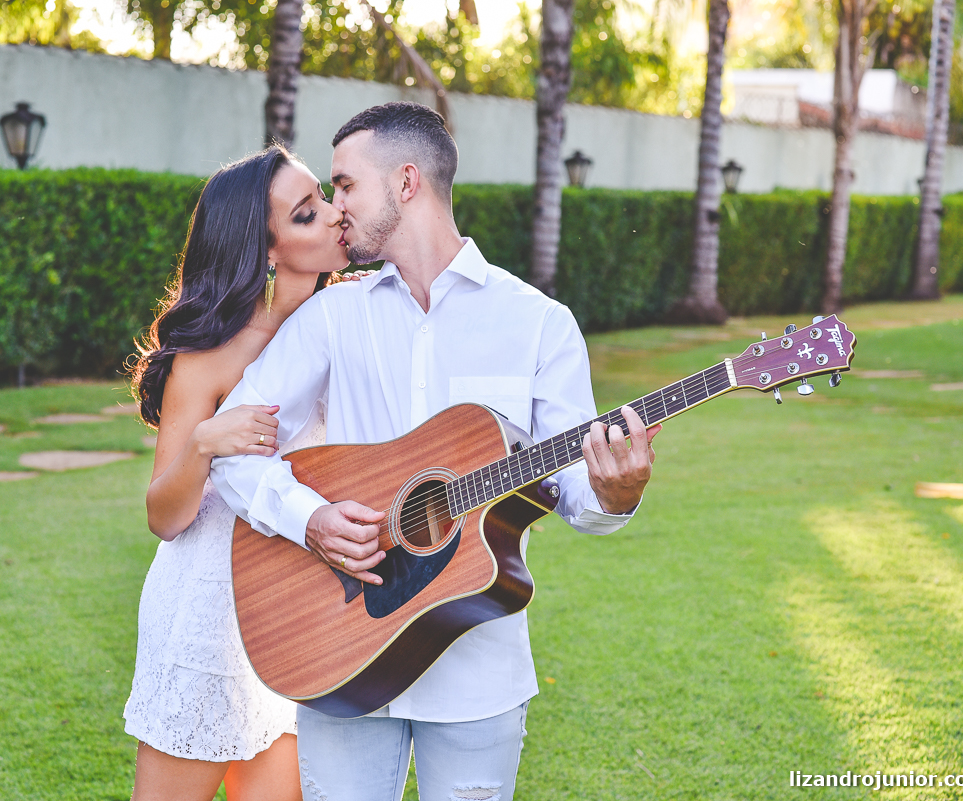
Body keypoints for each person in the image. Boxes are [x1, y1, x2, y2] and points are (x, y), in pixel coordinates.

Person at [210, 102, 661, 801]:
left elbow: (575, 494)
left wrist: (617, 492)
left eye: (346, 185)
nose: (335, 209)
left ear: (408, 182)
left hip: (477, 668)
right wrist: (309, 520)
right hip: (335, 648)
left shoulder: (538, 325)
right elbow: (233, 447)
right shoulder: (334, 316)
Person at [123, 145, 353, 801]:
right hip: (206, 613)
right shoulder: (209, 357)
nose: (337, 217)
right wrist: (202, 443)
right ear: (268, 250)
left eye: (327, 198)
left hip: (290, 613)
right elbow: (164, 516)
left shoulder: (349, 322)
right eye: (308, 214)